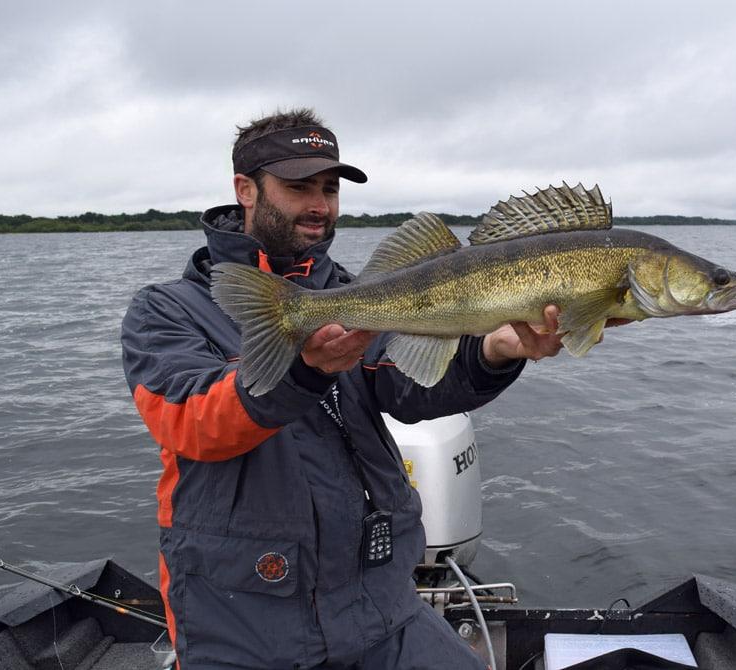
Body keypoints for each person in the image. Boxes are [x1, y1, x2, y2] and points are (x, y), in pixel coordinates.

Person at [120, 108, 566, 669]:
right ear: (246, 190)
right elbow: (190, 423)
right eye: (299, 186)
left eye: (330, 189)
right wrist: (304, 372)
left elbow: (406, 386)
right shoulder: (167, 310)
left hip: (378, 606)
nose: (320, 205)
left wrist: (494, 351)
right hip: (243, 622)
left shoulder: (359, 294)